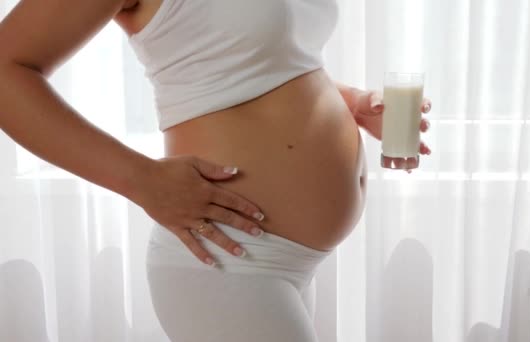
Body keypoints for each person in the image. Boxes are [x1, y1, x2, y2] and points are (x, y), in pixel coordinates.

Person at [0, 0, 432, 341]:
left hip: (284, 260)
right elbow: (7, 70)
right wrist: (140, 178)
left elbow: (262, 63)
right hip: (226, 256)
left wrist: (352, 103)